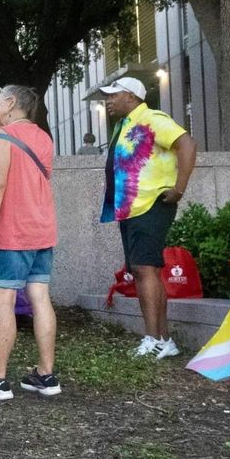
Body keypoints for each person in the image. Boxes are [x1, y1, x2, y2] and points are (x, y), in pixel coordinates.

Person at [0, 86, 59, 401]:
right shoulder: (45, 138)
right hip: (42, 230)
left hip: (13, 231)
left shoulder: (1, 139)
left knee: (3, 300)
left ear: (10, 103)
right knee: (40, 297)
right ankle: (46, 375)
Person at [98, 76, 197, 359]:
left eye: (113, 95)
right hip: (132, 209)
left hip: (151, 204)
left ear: (131, 96)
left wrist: (179, 189)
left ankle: (154, 338)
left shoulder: (152, 119)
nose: (108, 101)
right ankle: (163, 339)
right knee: (144, 272)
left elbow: (187, 144)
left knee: (144, 270)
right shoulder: (124, 125)